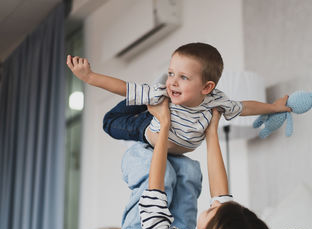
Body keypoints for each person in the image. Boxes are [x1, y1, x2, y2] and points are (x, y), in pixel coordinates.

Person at [66, 42, 291, 155]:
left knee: (151, 95)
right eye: (171, 73)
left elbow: (245, 107)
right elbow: (123, 87)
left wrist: (273, 107)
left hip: (159, 119)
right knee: (110, 122)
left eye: (183, 77)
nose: (173, 81)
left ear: (207, 87)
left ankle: (144, 100)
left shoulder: (215, 101)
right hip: (144, 128)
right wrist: (90, 77)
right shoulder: (165, 92)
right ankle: (142, 100)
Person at [140, 98, 283, 229]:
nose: (216, 203)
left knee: (147, 160)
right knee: (189, 169)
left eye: (213, 210)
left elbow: (155, 194)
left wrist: (164, 123)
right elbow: (221, 197)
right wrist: (211, 131)